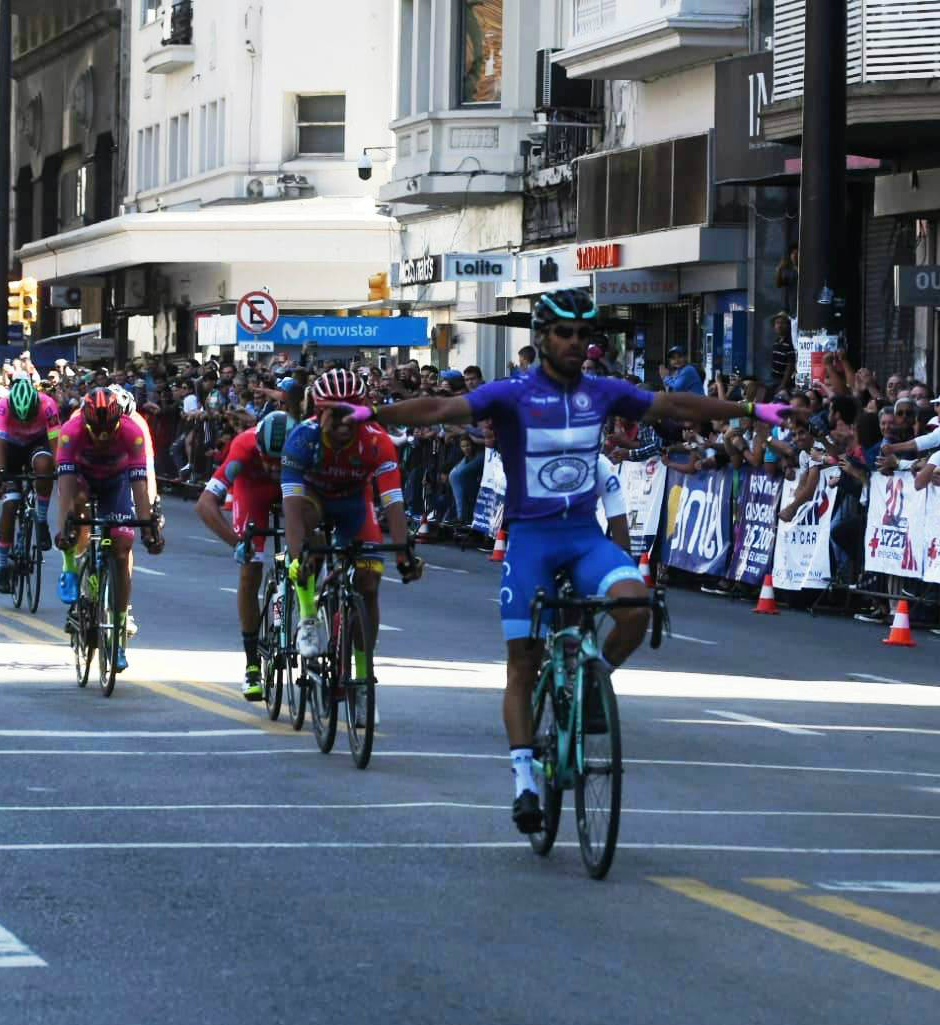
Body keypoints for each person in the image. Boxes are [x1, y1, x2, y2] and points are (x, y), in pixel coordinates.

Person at [335, 287, 798, 833]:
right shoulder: (509, 394)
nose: (577, 344)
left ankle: (594, 677)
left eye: (584, 335)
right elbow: (438, 408)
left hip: (583, 536)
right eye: (565, 334)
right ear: (542, 338)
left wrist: (752, 408)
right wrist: (371, 412)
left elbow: (672, 405)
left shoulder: (602, 392)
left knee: (634, 606)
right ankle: (525, 779)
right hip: (530, 538)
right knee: (523, 665)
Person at [280, 368, 422, 680]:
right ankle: (307, 619)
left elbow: (393, 501)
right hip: (312, 501)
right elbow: (290, 507)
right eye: (336, 413)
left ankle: (363, 674)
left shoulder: (377, 440)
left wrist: (403, 554)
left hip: (355, 505)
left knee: (369, 585)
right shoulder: (302, 438)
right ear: (319, 413)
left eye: (352, 414)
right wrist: (297, 553)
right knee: (307, 536)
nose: (345, 422)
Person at [51, 390, 165, 674]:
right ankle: (71, 565)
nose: (102, 437)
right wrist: (62, 527)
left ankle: (119, 626)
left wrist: (148, 526)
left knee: (123, 545)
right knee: (76, 508)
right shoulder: (71, 431)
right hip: (82, 478)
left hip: (116, 480)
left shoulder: (132, 431)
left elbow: (140, 486)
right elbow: (64, 487)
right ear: (85, 422)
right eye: (96, 431)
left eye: (108, 430)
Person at [195, 411, 291, 700]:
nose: (272, 464)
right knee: (251, 568)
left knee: (313, 542)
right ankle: (251, 664)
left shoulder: (304, 444)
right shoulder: (244, 446)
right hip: (254, 490)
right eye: (267, 457)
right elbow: (205, 504)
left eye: (278, 459)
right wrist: (236, 542)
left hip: (292, 487)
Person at [0, 377, 62, 595]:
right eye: (19, 418)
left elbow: (55, 443)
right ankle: (3, 567)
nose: (23, 421)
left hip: (36, 444)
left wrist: (58, 471)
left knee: (44, 466)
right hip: (11, 447)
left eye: (28, 417)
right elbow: (0, 447)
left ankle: (41, 521)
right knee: (9, 506)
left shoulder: (48, 404)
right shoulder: (2, 406)